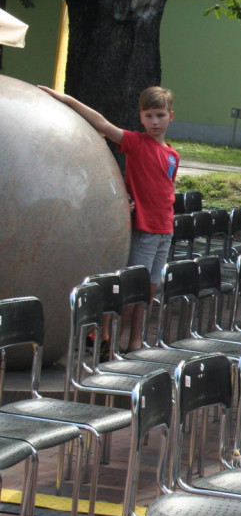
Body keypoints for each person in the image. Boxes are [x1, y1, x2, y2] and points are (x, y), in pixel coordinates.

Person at [39, 84, 179, 352]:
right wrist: (66, 98)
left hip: (165, 230)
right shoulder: (136, 143)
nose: (154, 121)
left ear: (170, 116)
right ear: (140, 117)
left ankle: (136, 340)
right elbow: (102, 123)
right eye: (149, 115)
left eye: (160, 115)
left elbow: (164, 189)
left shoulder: (173, 154)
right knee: (130, 291)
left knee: (148, 291)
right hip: (144, 229)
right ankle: (109, 340)